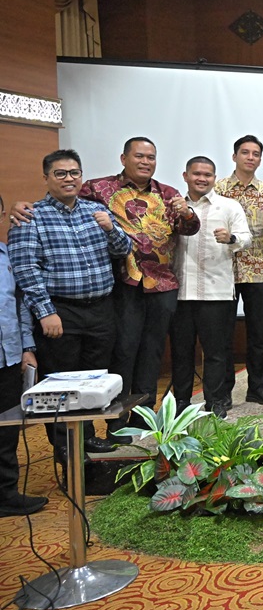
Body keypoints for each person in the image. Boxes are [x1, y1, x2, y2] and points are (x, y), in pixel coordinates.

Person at [9, 138, 203, 439]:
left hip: (160, 283)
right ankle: (116, 419)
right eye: (139, 156)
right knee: (122, 352)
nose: (145, 161)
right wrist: (19, 205)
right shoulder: (97, 190)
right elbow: (59, 199)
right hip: (123, 284)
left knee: (150, 353)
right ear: (123, 158)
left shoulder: (168, 193)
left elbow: (187, 228)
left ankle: (143, 416)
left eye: (151, 157)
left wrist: (188, 213)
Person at [10, 150, 132, 457]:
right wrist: (45, 311)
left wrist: (110, 228)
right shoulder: (31, 217)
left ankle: (87, 438)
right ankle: (66, 450)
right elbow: (26, 269)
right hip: (60, 311)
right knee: (62, 383)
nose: (69, 179)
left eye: (74, 173)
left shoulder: (95, 211)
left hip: (101, 309)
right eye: (61, 173)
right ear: (47, 178)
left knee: (94, 380)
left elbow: (124, 248)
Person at [170, 156, 251, 417]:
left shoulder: (229, 206)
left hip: (217, 291)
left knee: (216, 353)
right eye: (197, 174)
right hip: (181, 292)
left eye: (208, 174)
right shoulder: (173, 206)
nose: (202, 179)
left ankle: (215, 403)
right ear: (186, 176)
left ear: (215, 178)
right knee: (181, 353)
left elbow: (247, 238)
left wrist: (232, 238)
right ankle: (181, 403)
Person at [215, 135, 263, 406]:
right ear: (234, 156)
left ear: (260, 159)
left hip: (258, 269)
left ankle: (256, 387)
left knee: (258, 333)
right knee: (222, 333)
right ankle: (222, 392)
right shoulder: (218, 187)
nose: (250, 157)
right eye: (245, 152)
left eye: (255, 153)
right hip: (223, 269)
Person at [0, 192, 45, 518]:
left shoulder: (7, 257)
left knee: (6, 430)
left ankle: (6, 494)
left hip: (9, 357)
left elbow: (20, 307)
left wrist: (28, 348)